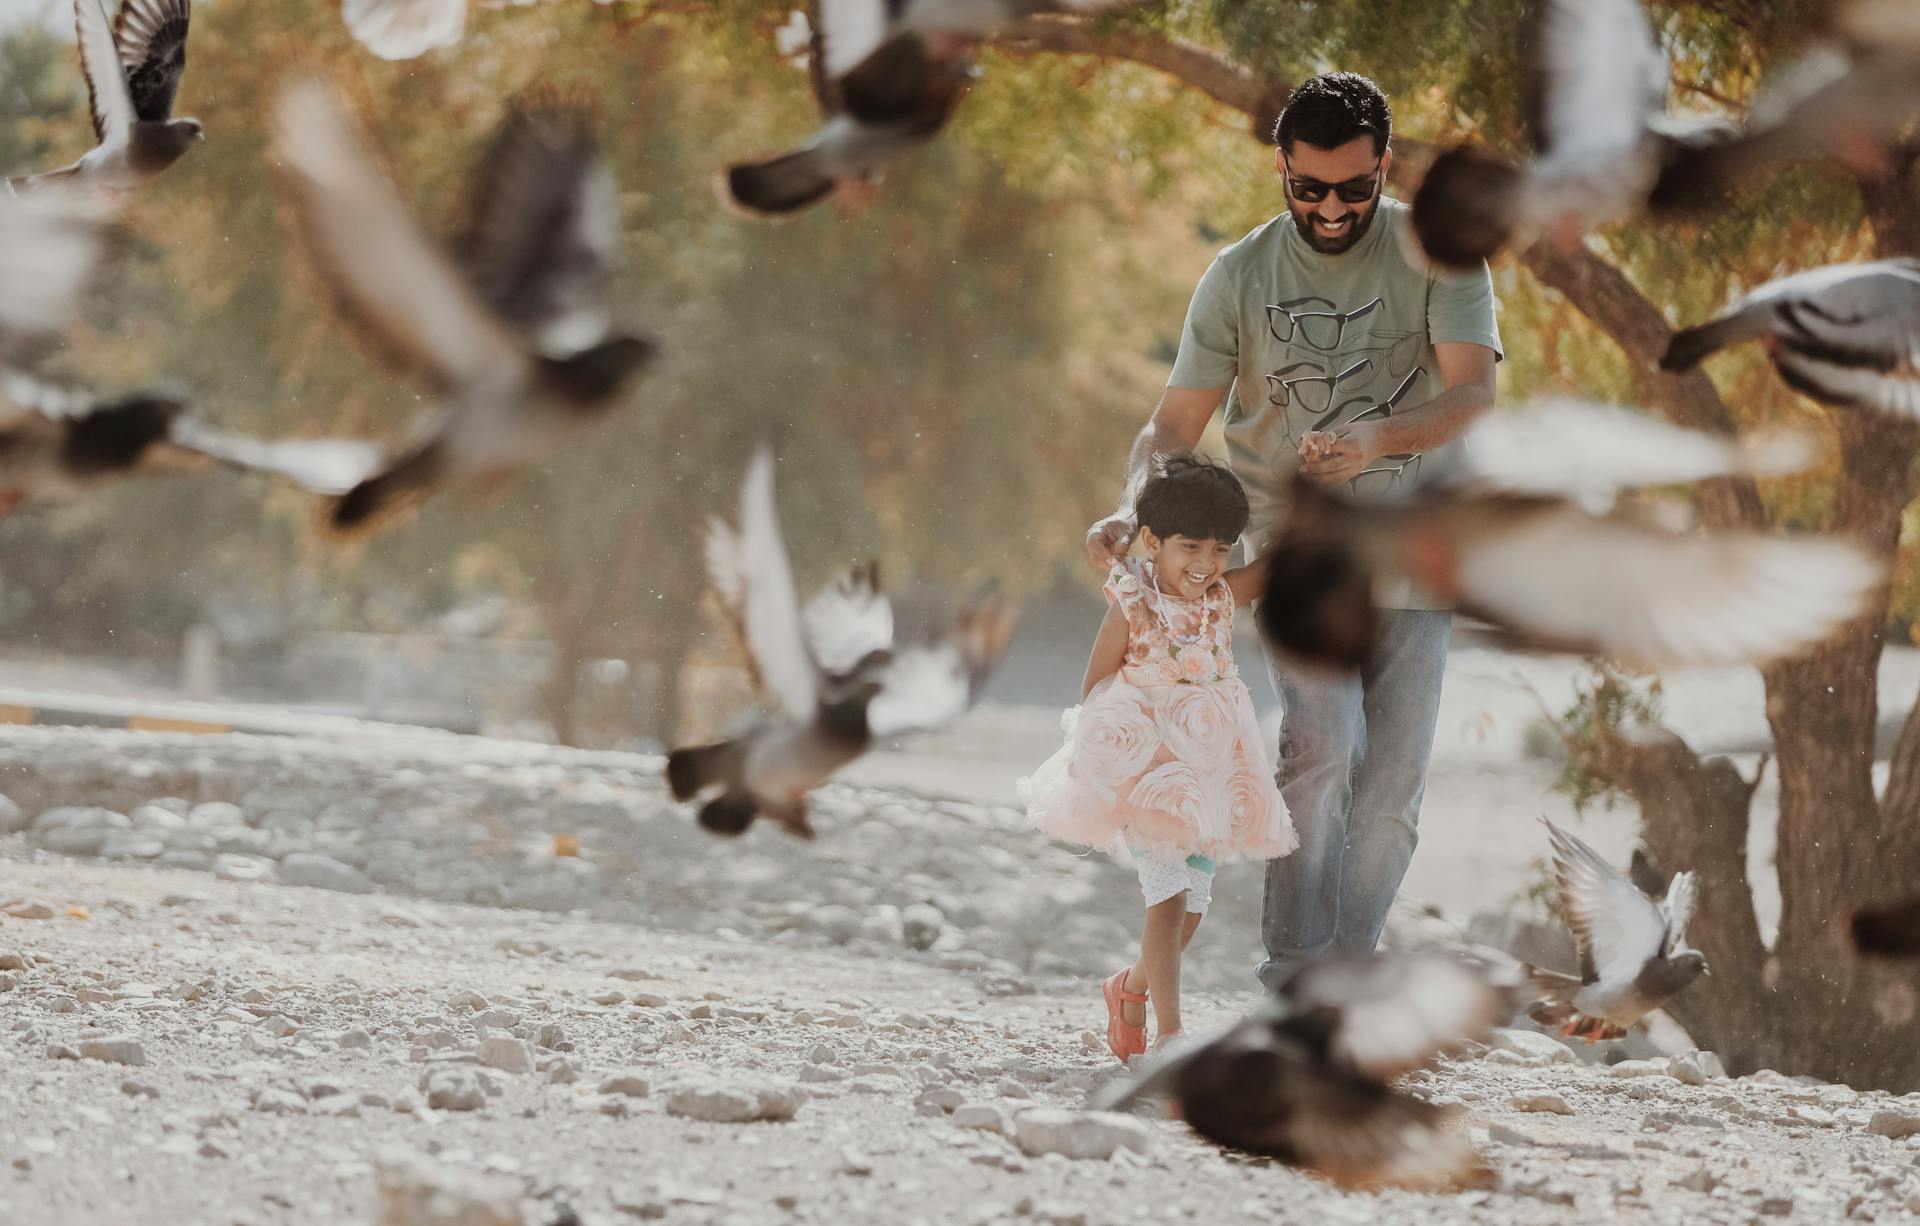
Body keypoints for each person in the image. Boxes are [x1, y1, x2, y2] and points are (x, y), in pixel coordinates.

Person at [1084, 72, 1502, 991]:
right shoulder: (1238, 274)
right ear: (1281, 168)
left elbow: (1474, 393)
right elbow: (1172, 425)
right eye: (1308, 187)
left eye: (1354, 188)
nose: (1330, 207)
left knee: (1390, 793)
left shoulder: (1441, 256)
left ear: (1386, 167)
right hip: (1292, 561)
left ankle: (1347, 973)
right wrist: (1136, 505)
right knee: (1325, 743)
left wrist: (1375, 442)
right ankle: (1295, 969)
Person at [1024, 453, 1296, 1061]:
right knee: (1167, 901)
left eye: (1220, 549)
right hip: (1149, 774)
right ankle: (1172, 1039)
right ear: (1152, 541)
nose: (1205, 564)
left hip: (1211, 770)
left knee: (1191, 910)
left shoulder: (1222, 597)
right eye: (1190, 547)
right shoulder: (1132, 601)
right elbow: (1095, 686)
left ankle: (1128, 989)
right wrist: (1110, 759)